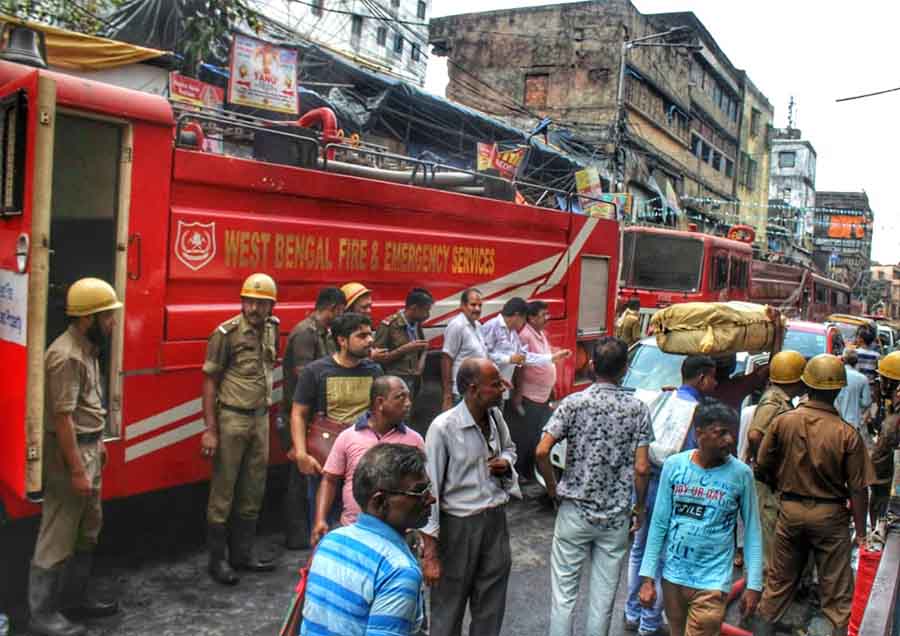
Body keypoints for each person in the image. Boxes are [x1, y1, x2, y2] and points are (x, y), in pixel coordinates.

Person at [536, 336, 652, 636]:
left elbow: (541, 451)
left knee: (563, 597)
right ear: (625, 369)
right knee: (602, 601)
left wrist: (552, 488)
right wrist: (639, 507)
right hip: (615, 517)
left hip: (574, 510)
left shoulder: (573, 404)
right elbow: (641, 468)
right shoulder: (638, 409)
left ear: (591, 365)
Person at [753, 354, 876, 636]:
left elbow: (762, 464)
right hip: (830, 518)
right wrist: (861, 532)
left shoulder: (784, 422)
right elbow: (858, 490)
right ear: (837, 390)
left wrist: (780, 487)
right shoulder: (848, 435)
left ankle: (761, 629)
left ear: (807, 384)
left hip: (790, 512)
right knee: (835, 596)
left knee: (777, 586)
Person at [29, 278, 123, 636]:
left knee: (88, 528)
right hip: (71, 455)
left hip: (88, 449)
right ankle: (42, 615)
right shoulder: (65, 355)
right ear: (88, 318)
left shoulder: (86, 348)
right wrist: (77, 470)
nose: (113, 323)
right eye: (108, 317)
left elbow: (85, 408)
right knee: (59, 531)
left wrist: (97, 445)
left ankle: (73, 600)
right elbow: (62, 419)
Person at [639, 400, 763, 636]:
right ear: (699, 434)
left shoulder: (741, 474)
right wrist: (647, 579)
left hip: (713, 583)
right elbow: (658, 524)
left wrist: (754, 584)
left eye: (732, 434)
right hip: (673, 579)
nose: (729, 440)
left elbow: (753, 533)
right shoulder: (675, 466)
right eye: (721, 433)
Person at [421, 358, 520, 636]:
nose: (503, 388)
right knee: (448, 607)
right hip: (458, 528)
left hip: (495, 523)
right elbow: (431, 493)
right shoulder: (443, 428)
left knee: (491, 607)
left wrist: (505, 461)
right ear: (473, 389)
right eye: (496, 384)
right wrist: (430, 554)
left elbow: (511, 449)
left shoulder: (496, 417)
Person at [625, 355, 718, 636]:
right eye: (713, 378)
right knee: (665, 556)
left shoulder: (662, 398)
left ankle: (632, 612)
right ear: (702, 378)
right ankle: (650, 623)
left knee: (640, 549)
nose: (715, 383)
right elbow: (694, 458)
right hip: (673, 489)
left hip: (644, 482)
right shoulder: (699, 414)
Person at [299, 444, 434, 636]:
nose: (431, 499)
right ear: (379, 502)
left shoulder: (331, 541)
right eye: (419, 492)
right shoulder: (398, 570)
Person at [200, 273, 280, 585]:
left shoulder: (272, 329)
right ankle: (217, 562)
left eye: (261, 303)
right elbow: (209, 380)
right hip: (231, 419)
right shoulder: (226, 334)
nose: (253, 309)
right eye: (248, 301)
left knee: (253, 489)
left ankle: (242, 554)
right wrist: (210, 429)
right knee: (223, 492)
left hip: (260, 418)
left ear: (271, 306)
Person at [290, 313, 384, 527]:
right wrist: (301, 454)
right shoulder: (316, 371)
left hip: (364, 462)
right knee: (322, 525)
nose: (370, 340)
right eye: (362, 336)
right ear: (342, 340)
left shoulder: (375, 371)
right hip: (325, 461)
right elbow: (298, 413)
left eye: (370, 334)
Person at [311, 376, 425, 545]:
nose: (408, 403)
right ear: (380, 402)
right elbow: (329, 480)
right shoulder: (348, 437)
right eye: (401, 397)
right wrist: (320, 519)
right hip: (354, 531)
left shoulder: (415, 440)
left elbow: (424, 489)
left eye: (408, 397)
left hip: (399, 536)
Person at [281, 286, 346, 550]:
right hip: (299, 416)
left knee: (312, 475)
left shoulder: (322, 332)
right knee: (300, 475)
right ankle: (295, 535)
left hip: (313, 417)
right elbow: (302, 373)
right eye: (340, 311)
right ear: (332, 308)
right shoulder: (305, 333)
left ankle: (308, 529)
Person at [744, 350, 807, 577]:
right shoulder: (774, 401)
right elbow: (754, 435)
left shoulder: (782, 400)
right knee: (766, 540)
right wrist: (763, 466)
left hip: (772, 479)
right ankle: (759, 593)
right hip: (765, 482)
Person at [512, 300, 571, 477]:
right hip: (530, 397)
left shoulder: (539, 333)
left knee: (540, 435)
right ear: (531, 317)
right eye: (543, 315)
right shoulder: (525, 336)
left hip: (542, 396)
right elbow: (519, 367)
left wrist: (551, 387)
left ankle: (532, 473)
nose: (548, 317)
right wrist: (518, 394)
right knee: (527, 439)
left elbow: (544, 359)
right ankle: (523, 475)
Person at [482, 297, 571, 404]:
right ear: (516, 315)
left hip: (501, 390)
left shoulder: (513, 334)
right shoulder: (491, 326)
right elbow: (482, 357)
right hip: (486, 390)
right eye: (524, 318)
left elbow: (524, 357)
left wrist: (551, 358)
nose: (525, 322)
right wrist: (508, 359)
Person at [373, 288, 432, 399]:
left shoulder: (416, 324)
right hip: (394, 383)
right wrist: (405, 349)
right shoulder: (389, 325)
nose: (428, 315)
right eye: (426, 310)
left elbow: (423, 349)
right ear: (414, 308)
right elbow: (378, 359)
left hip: (413, 380)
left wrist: (419, 367)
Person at [440, 288, 487, 410]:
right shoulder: (457, 325)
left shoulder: (478, 325)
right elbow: (447, 359)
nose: (477, 309)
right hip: (461, 392)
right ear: (463, 306)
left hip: (476, 390)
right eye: (473, 305)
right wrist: (447, 396)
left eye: (480, 305)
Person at [869, 351, 900, 523]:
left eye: (883, 379)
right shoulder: (892, 413)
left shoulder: (893, 422)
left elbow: (880, 460)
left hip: (887, 493)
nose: (880, 383)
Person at [835, 349, 872, 441]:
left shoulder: (836, 375)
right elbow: (866, 402)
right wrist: (856, 400)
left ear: (843, 360)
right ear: (856, 362)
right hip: (854, 424)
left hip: (835, 421)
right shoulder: (862, 379)